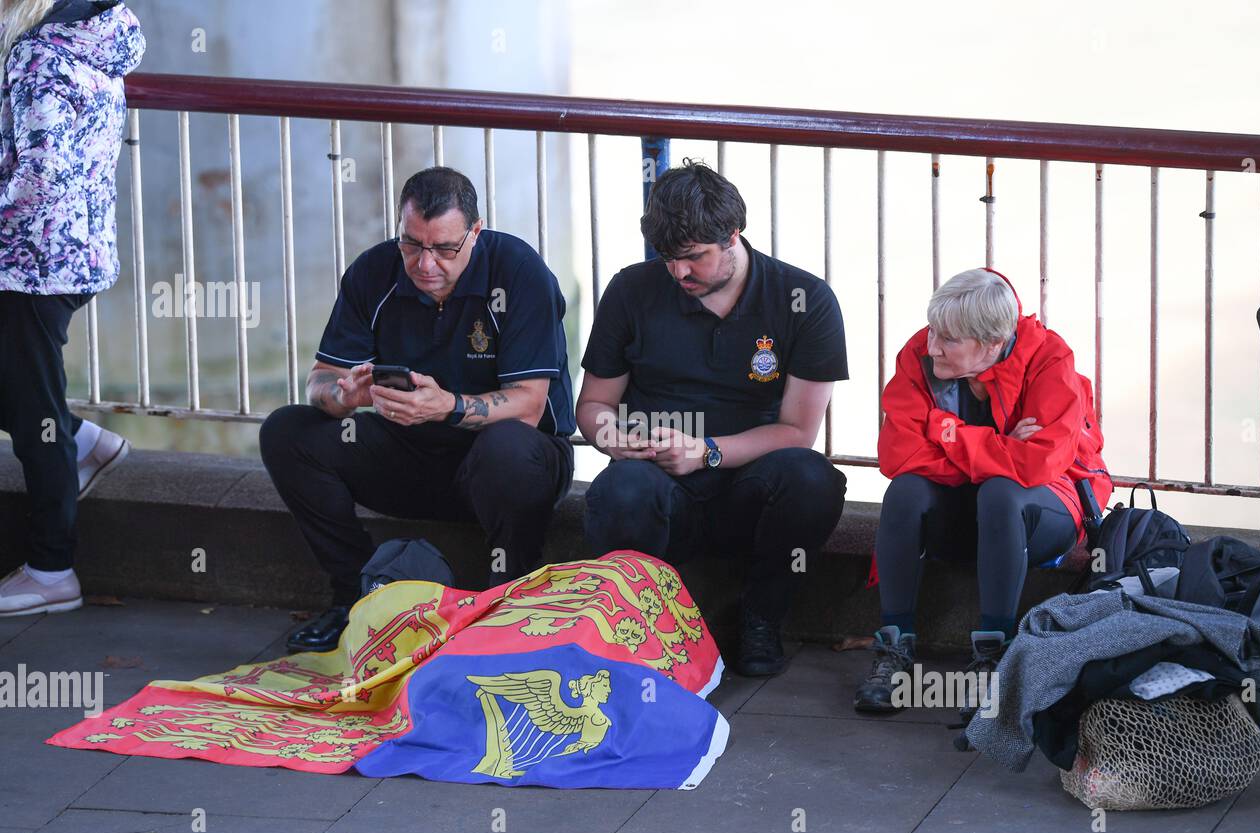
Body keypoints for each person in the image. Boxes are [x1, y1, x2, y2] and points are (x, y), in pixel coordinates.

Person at [261, 166, 576, 653]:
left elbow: (529, 407)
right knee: (288, 431)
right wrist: (350, 395)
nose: (426, 263)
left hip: (508, 463)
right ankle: (354, 599)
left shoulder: (519, 272)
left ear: (475, 232)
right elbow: (318, 382)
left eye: (445, 248)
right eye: (412, 244)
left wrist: (446, 406)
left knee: (508, 448)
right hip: (409, 452)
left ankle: (514, 603)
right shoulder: (375, 270)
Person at [578, 160, 848, 678]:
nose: (679, 272)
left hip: (748, 486)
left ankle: (761, 619)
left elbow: (798, 432)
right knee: (621, 490)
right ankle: (641, 632)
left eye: (694, 257)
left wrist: (707, 451)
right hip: (655, 480)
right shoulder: (631, 290)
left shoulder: (805, 300)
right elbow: (593, 406)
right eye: (667, 258)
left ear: (733, 237)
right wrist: (613, 438)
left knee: (812, 478)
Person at [855, 267, 1112, 719]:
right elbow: (898, 455)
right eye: (934, 329)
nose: (932, 345)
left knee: (1001, 492)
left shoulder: (1050, 360)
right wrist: (1002, 441)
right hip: (964, 512)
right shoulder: (919, 355)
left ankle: (994, 657)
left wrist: (945, 432)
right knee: (906, 491)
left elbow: (1040, 466)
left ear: (992, 344)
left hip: (1041, 514)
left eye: (949, 339)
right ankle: (894, 649)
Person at [0, 0, 141, 617]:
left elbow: (37, 174)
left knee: (36, 418)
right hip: (67, 252)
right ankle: (83, 440)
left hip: (29, 262)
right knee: (34, 401)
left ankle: (52, 570)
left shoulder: (37, 52)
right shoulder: (93, 39)